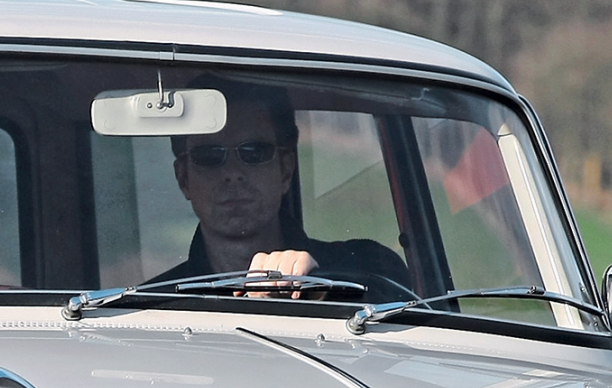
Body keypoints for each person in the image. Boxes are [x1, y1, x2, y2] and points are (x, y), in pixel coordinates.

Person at [144, 88, 413, 297]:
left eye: (253, 152)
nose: (232, 172)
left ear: (285, 169)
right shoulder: (147, 308)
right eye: (209, 155)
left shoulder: (369, 269)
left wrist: (323, 290)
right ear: (183, 178)